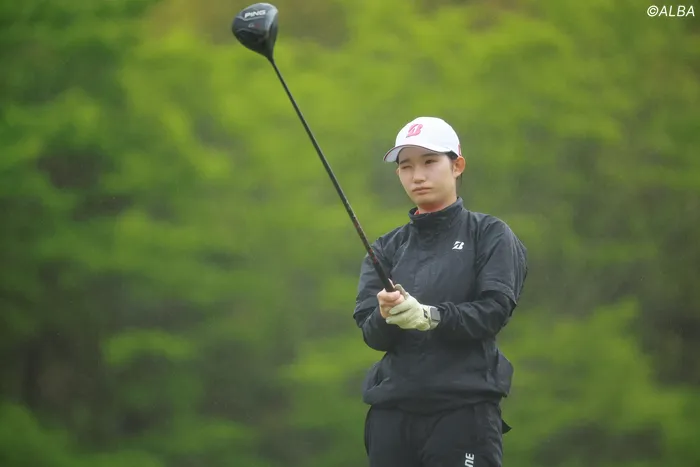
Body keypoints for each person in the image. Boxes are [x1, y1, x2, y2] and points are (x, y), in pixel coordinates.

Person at [353, 116, 528, 467]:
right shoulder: (386, 247)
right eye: (406, 166)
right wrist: (386, 314)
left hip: (462, 413)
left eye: (430, 162)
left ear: (457, 165)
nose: (417, 176)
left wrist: (430, 316)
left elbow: (494, 311)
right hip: (392, 414)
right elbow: (372, 335)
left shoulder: (489, 234)